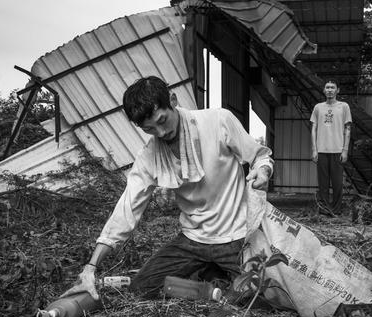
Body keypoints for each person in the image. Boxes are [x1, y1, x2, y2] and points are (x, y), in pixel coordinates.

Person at [61, 76, 274, 300]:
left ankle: (214, 274)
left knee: (264, 297)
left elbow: (259, 156)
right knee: (141, 288)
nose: (161, 133)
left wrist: (263, 170)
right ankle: (209, 275)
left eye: (162, 121)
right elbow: (127, 209)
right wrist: (91, 267)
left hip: (235, 236)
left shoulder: (218, 121)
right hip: (192, 239)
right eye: (149, 129)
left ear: (172, 100)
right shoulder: (149, 155)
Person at [310, 79, 352, 216]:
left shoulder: (344, 106)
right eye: (327, 87)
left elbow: (348, 129)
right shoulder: (318, 107)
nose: (329, 90)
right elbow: (314, 129)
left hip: (337, 150)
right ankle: (324, 210)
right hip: (322, 150)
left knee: (337, 183)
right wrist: (314, 149)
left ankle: (336, 210)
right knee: (322, 184)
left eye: (332, 87)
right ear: (323, 90)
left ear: (337, 90)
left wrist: (345, 150)